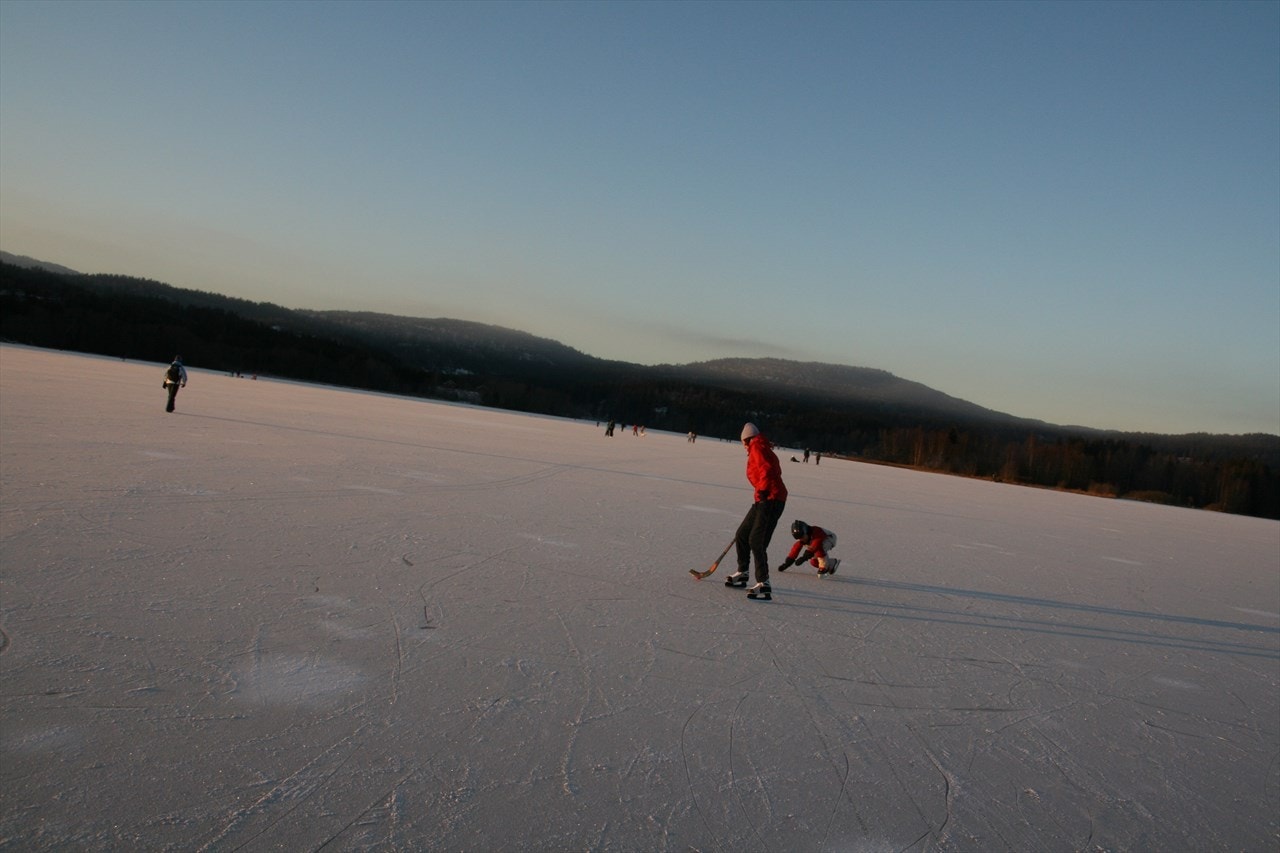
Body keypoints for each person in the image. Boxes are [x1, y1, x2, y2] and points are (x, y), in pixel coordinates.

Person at [724, 422, 787, 600]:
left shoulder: (757, 447)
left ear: (746, 440)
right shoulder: (760, 447)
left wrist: (763, 490)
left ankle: (763, 582)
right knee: (742, 534)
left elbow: (767, 470)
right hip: (764, 498)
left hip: (771, 499)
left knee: (756, 540)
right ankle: (743, 571)